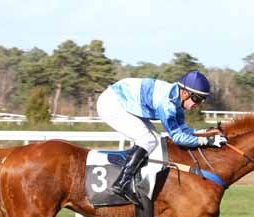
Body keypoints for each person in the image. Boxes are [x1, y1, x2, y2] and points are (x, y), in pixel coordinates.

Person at [96, 70, 227, 205]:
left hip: (126, 103)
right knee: (147, 140)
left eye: (202, 100)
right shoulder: (167, 104)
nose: (198, 104)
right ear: (185, 93)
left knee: (155, 142)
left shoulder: (177, 101)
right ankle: (121, 183)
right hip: (112, 104)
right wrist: (206, 141)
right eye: (197, 99)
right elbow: (177, 137)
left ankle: (136, 183)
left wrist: (205, 132)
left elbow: (183, 130)